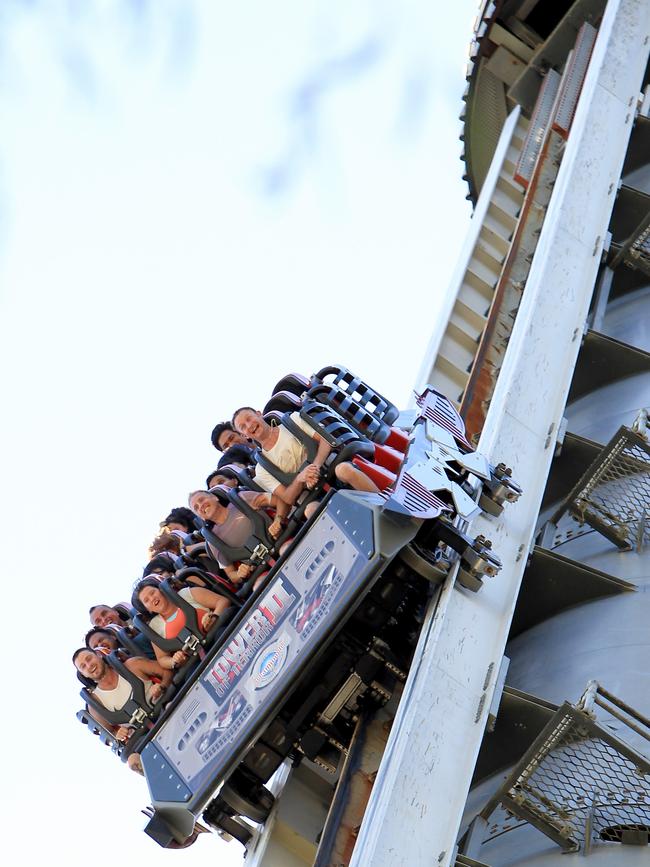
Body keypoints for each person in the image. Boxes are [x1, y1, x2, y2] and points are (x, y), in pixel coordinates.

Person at [231, 406, 380, 507]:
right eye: (243, 427)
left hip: (331, 467)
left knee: (344, 470)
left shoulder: (293, 421)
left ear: (259, 414)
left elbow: (325, 440)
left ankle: (384, 505)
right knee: (310, 510)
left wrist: (315, 466)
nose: (249, 426)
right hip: (312, 493)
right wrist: (301, 478)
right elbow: (287, 498)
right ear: (244, 435)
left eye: (249, 419)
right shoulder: (262, 469)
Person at [188, 487, 286, 583]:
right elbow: (231, 575)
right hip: (261, 569)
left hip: (280, 542)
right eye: (196, 508)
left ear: (214, 497)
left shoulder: (241, 499)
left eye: (201, 500)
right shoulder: (212, 540)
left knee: (285, 550)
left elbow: (279, 500)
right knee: (260, 584)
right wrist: (240, 573)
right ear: (200, 516)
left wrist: (278, 520)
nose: (200, 506)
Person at [73, 647, 171, 740]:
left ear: (98, 655)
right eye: (83, 666)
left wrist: (162, 686)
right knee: (132, 758)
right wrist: (118, 734)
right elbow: (112, 733)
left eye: (89, 659)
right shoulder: (95, 704)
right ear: (83, 674)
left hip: (165, 707)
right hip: (144, 736)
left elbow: (166, 671)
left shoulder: (132, 665)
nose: (89, 665)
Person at [132, 579, 229, 670]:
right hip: (195, 660)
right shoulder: (154, 627)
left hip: (218, 635)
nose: (152, 598)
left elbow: (222, 601)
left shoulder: (186, 594)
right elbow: (162, 658)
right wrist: (174, 660)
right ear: (147, 609)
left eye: (153, 592)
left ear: (161, 590)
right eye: (146, 600)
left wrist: (215, 618)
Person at [89, 602, 155, 660]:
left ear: (116, 612)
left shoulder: (138, 616)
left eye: (104, 614)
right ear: (100, 629)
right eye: (98, 621)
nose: (104, 620)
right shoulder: (114, 647)